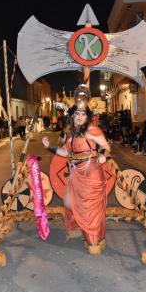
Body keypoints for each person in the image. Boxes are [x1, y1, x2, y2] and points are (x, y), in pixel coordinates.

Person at [42, 84, 111, 254]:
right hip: (76, 174)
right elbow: (66, 152)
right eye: (76, 114)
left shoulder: (93, 130)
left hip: (91, 173)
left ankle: (94, 242)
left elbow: (106, 147)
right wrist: (50, 147)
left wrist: (103, 155)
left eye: (82, 114)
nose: (79, 117)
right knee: (68, 203)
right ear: (72, 116)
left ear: (87, 116)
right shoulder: (71, 133)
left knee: (89, 209)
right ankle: (78, 227)